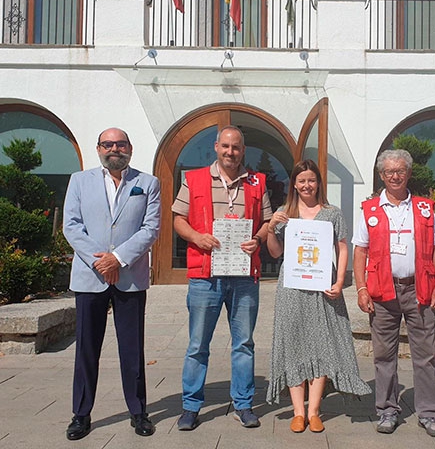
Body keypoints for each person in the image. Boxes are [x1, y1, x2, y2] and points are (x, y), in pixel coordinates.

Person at [62, 128, 161, 440]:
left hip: (130, 277)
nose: (114, 149)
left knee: (132, 349)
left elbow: (151, 228)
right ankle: (81, 414)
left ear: (130, 148)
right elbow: (72, 226)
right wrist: (100, 261)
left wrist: (118, 259)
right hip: (90, 277)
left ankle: (138, 411)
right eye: (108, 144)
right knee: (86, 349)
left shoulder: (147, 183)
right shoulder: (79, 181)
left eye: (120, 144)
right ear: (98, 148)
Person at [172, 125, 272, 430]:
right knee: (198, 344)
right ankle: (191, 406)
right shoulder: (194, 178)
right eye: (226, 147)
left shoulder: (258, 181)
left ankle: (243, 404)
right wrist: (197, 237)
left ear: (243, 150)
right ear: (216, 147)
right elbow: (178, 218)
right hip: (205, 274)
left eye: (237, 147)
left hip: (243, 275)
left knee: (244, 343)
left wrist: (257, 239)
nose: (231, 152)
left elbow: (267, 222)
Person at [265, 160, 371, 433]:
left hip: (324, 287)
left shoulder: (332, 213)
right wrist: (270, 228)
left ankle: (314, 411)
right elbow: (275, 252)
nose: (306, 185)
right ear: (294, 184)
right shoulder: (284, 213)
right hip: (291, 288)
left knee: (321, 344)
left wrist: (340, 281)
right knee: (293, 344)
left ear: (318, 183)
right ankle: (297, 412)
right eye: (301, 181)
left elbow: (343, 247)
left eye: (311, 180)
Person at [351, 149, 435, 437]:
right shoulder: (370, 209)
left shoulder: (424, 208)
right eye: (389, 172)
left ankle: (429, 413)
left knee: (425, 354)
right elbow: (360, 251)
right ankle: (387, 410)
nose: (395, 176)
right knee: (384, 355)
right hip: (382, 290)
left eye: (400, 170)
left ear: (408, 173)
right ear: (381, 176)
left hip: (419, 288)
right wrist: (361, 288)